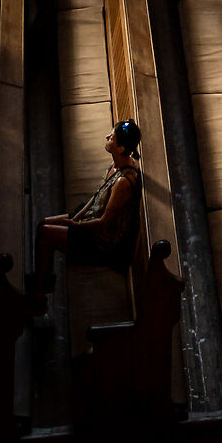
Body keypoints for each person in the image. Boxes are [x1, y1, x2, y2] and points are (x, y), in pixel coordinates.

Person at [31, 119, 141, 307]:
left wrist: (77, 226)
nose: (107, 137)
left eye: (112, 137)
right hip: (90, 217)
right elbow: (97, 195)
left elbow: (104, 222)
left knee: (44, 234)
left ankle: (39, 297)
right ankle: (44, 280)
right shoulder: (115, 165)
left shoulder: (124, 181)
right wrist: (77, 216)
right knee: (43, 223)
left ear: (121, 148)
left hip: (102, 242)